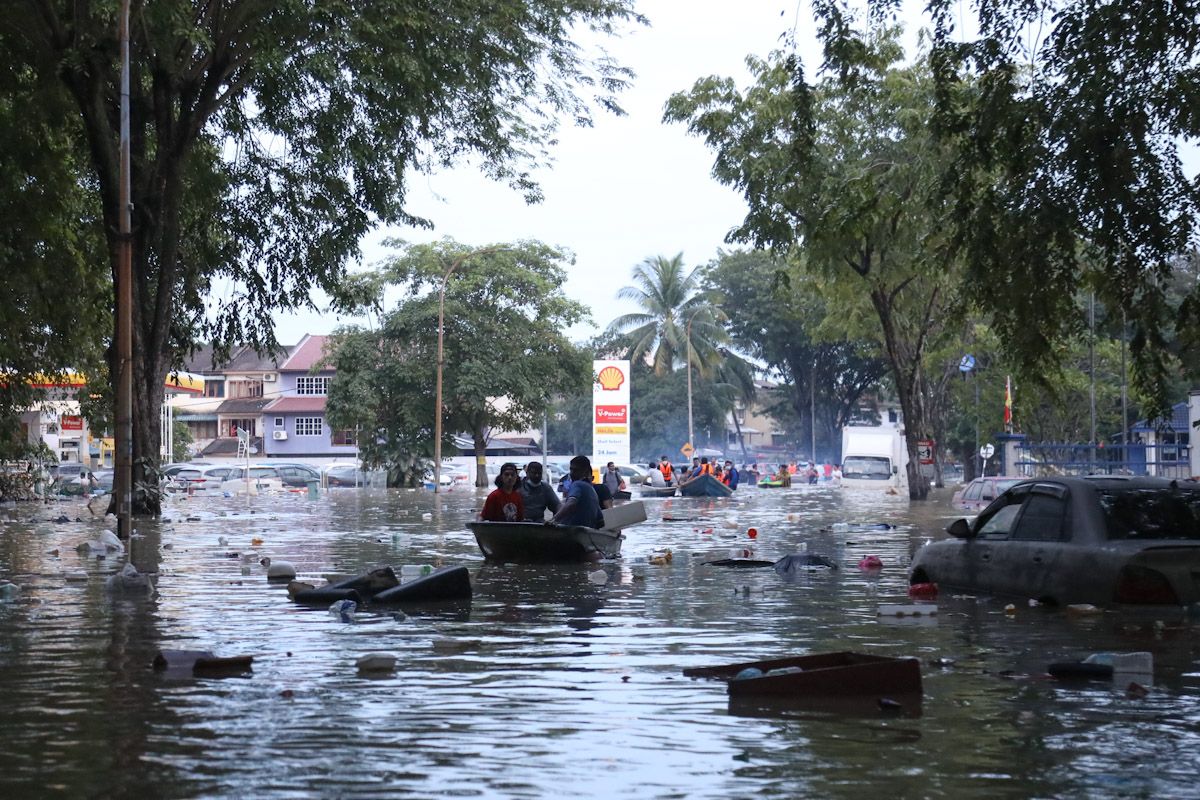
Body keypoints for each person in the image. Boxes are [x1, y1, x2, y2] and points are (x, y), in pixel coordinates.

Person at [547, 455, 600, 528]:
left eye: (576, 470)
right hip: (586, 533)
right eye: (571, 469)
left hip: (571, 532)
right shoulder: (592, 491)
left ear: (585, 472)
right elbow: (601, 521)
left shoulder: (577, 484)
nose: (572, 473)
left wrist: (553, 519)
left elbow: (571, 503)